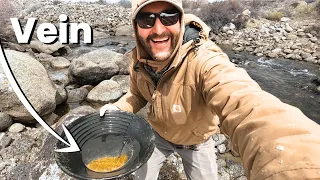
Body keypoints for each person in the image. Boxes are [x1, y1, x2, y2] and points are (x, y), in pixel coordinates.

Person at [100, 0, 320, 179]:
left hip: (196, 143)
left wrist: (293, 165)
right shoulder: (137, 60)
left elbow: (244, 102)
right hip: (157, 136)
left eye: (168, 17)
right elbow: (137, 95)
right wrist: (117, 108)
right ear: (135, 25)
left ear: (181, 20)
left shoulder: (204, 59)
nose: (158, 30)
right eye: (146, 19)